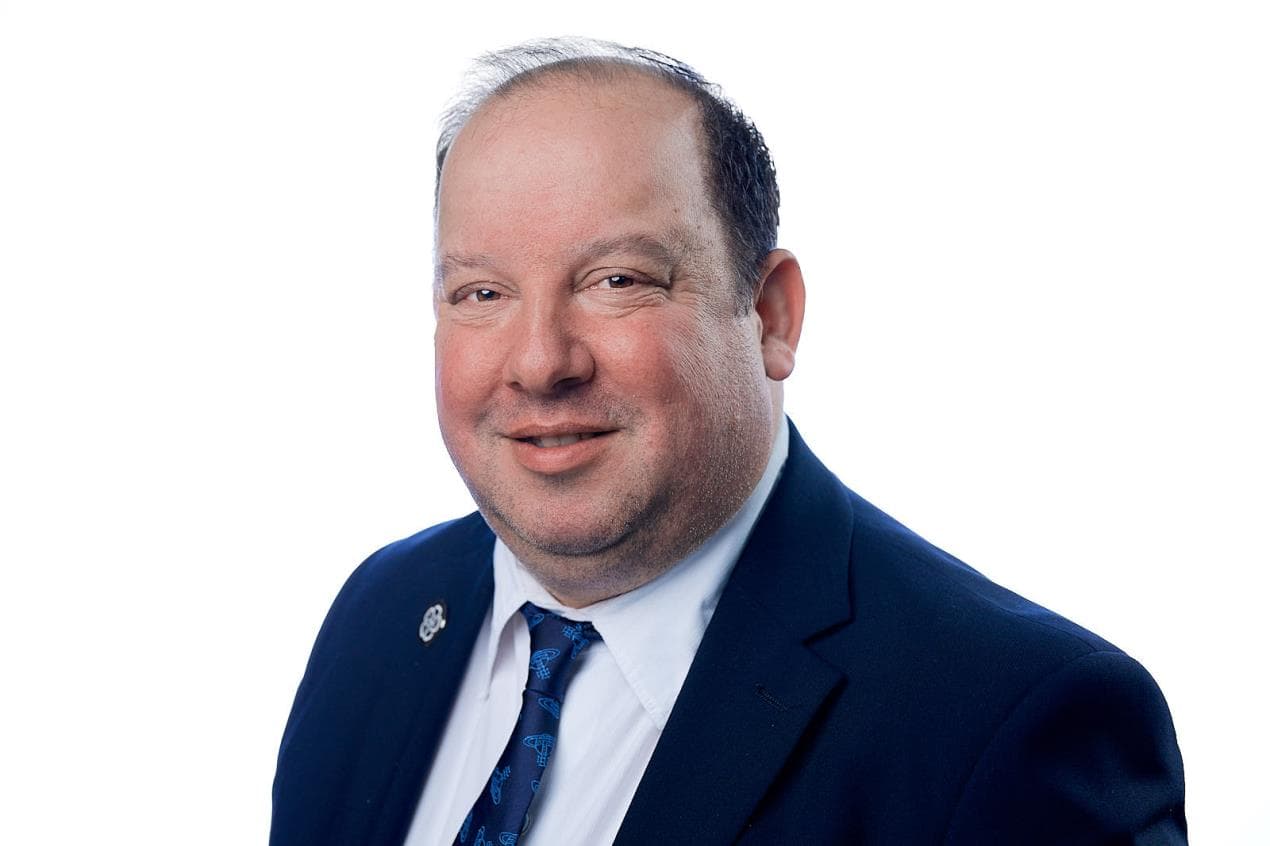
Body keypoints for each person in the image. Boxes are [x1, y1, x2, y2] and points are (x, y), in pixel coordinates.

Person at [271, 38, 1186, 845]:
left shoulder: (1010, 723)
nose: (540, 362)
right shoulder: (383, 615)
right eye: (481, 293)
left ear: (771, 315)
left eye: (617, 279)